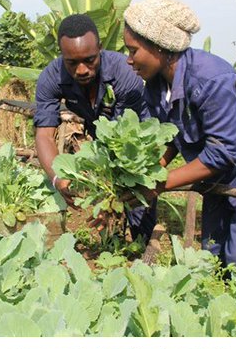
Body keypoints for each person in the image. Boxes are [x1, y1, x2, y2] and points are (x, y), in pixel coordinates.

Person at [123, 0, 236, 282]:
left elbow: (222, 152)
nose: (128, 60)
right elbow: (170, 134)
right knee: (212, 256)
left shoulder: (210, 79)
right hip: (223, 171)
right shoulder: (155, 87)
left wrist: (159, 184)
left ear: (159, 45)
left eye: (133, 50)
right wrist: (151, 168)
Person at [34, 13, 153, 241]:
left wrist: (112, 194)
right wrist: (58, 179)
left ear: (99, 48)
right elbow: (45, 136)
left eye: (89, 60)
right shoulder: (50, 77)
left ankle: (142, 245)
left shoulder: (124, 73)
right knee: (109, 215)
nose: (81, 70)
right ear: (62, 56)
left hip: (135, 144)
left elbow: (125, 141)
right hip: (101, 137)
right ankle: (115, 242)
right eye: (72, 63)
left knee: (137, 204)